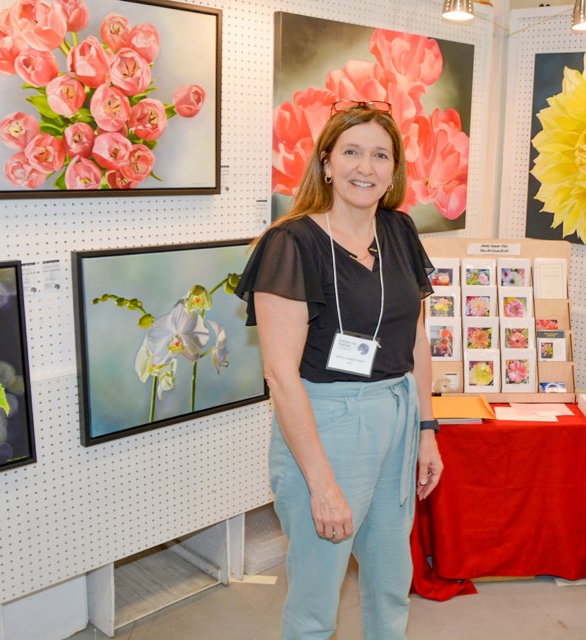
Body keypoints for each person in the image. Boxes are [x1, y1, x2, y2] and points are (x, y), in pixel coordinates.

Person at [235, 100, 443, 639]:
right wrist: (321, 484)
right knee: (316, 597)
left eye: (380, 155)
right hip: (327, 424)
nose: (365, 167)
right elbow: (281, 376)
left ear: (394, 170)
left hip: (398, 413)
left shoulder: (399, 231)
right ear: (326, 162)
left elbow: (415, 338)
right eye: (351, 152)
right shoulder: (291, 244)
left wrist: (426, 431)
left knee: (392, 580)